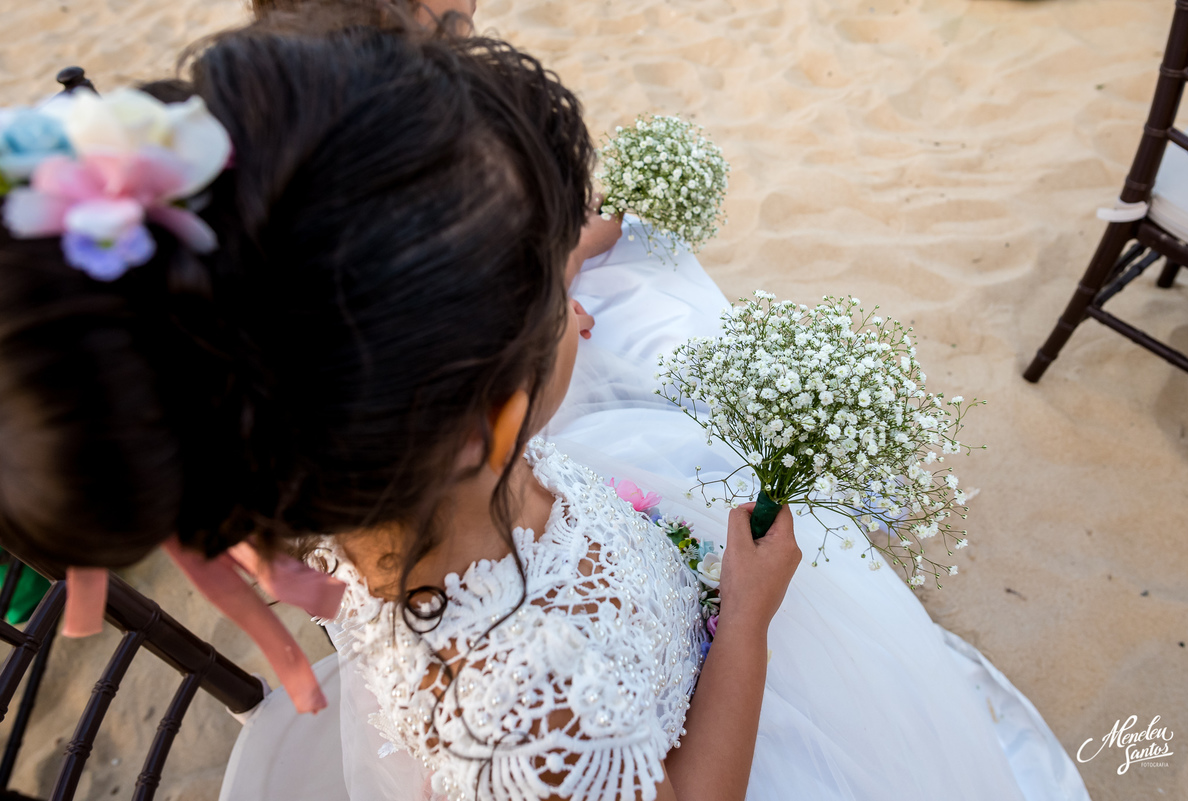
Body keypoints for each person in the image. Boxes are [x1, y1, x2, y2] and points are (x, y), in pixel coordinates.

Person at [0, 12, 1089, 801]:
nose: (576, 307)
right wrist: (749, 618)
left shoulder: (328, 460)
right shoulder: (527, 703)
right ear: (489, 423)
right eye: (553, 297)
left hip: (605, 581)